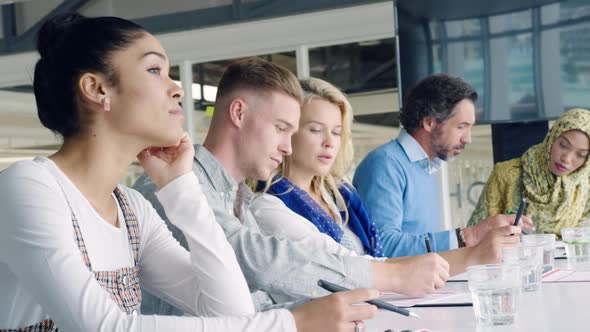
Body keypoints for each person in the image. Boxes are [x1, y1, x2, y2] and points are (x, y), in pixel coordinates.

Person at [0, 13, 379, 331]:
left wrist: (181, 188)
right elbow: (106, 327)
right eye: (154, 70)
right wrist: (291, 323)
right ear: (97, 88)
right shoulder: (30, 188)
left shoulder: (131, 209)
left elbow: (232, 310)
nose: (177, 88)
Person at [134, 58, 450, 314]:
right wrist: (390, 275)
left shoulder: (237, 195)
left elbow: (264, 294)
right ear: (239, 113)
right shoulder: (171, 181)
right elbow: (249, 259)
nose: (288, 147)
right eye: (281, 129)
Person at [250, 77, 521, 274]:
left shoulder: (338, 194)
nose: (330, 143)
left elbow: (375, 259)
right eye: (315, 129)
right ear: (288, 132)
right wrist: (468, 243)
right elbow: (371, 260)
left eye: (336, 132)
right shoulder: (385, 164)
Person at [353, 74, 534, 257]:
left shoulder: (426, 167)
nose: (468, 139)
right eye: (461, 127)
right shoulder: (385, 165)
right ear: (429, 122)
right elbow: (383, 245)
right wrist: (468, 236)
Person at [468, 108, 590, 235]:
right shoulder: (507, 174)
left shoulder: (585, 185)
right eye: (563, 145)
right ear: (552, 137)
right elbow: (475, 235)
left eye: (580, 154)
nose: (566, 158)